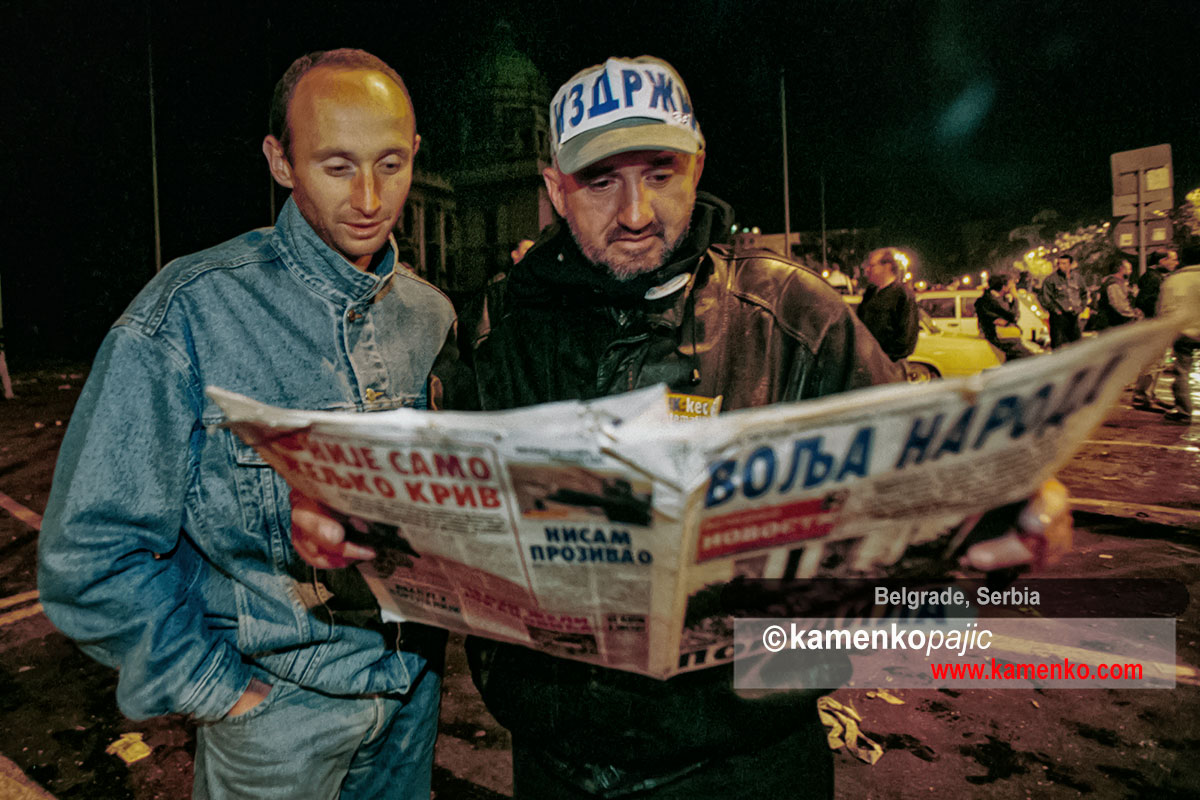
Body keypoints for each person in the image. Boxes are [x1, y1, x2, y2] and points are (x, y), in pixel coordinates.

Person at [292, 54, 1069, 800]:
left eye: (660, 176)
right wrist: (352, 523)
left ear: (697, 168)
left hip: (749, 768)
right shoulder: (501, 328)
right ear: (555, 190)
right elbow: (432, 513)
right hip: (555, 765)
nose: (635, 214)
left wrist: (1002, 507)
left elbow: (921, 482)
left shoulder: (798, 320)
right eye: (601, 182)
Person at [38, 49, 454, 800]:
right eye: (336, 166)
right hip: (278, 724)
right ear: (280, 161)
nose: (369, 196)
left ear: (415, 156)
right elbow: (88, 553)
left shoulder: (431, 317)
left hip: (413, 703)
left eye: (390, 164)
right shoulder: (189, 315)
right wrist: (219, 691)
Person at [1131, 248, 1181, 410]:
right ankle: (1142, 396)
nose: (1175, 262)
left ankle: (1148, 394)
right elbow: (1145, 301)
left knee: (1156, 362)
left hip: (1155, 323)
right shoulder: (1153, 278)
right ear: (1162, 261)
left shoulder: (1155, 276)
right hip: (1155, 324)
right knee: (1152, 362)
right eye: (1172, 259)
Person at [1156, 245, 1199, 424]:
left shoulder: (1173, 280)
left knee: (1182, 371)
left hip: (1184, 332)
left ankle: (1184, 411)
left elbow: (1163, 308)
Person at [856, 247, 919, 362]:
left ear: (887, 266)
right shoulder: (870, 293)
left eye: (872, 266)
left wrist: (884, 357)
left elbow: (907, 339)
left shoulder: (902, 295)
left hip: (888, 366)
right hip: (867, 362)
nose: (867, 270)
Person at [975, 274, 1033, 360]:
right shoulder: (988, 301)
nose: (1013, 286)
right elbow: (1013, 316)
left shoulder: (1000, 298)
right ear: (1004, 287)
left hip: (1006, 335)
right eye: (1011, 284)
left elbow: (1015, 316)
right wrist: (1015, 298)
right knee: (1029, 357)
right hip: (1000, 337)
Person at [1038, 253, 1087, 348]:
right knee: (1058, 345)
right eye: (1059, 263)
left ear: (1070, 265)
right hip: (1058, 317)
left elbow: (1084, 293)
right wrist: (1055, 310)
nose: (1061, 266)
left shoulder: (1078, 279)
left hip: (1073, 316)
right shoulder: (1051, 280)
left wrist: (1081, 308)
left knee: (1077, 345)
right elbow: (1044, 297)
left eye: (1064, 263)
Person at [1090, 258, 1142, 331]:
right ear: (1121, 269)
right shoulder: (1113, 284)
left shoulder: (1120, 283)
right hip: (1112, 324)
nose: (1131, 272)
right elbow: (1119, 305)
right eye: (1129, 269)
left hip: (1115, 324)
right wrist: (1133, 314)